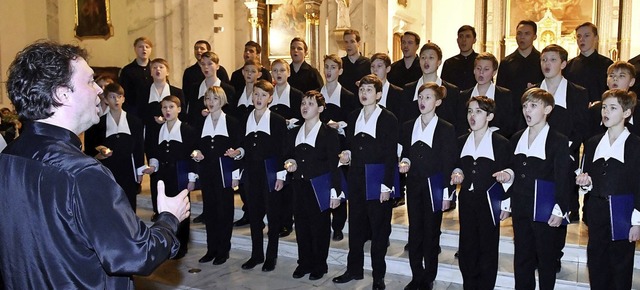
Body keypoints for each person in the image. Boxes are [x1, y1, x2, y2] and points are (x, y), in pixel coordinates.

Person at [0, 41, 189, 289]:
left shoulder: (8, 157)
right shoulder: (83, 173)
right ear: (61, 93)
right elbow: (136, 255)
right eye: (90, 82)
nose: (99, 92)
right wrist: (169, 219)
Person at [494, 88, 570, 290]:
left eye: (533, 106)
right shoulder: (517, 137)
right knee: (522, 257)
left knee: (546, 260)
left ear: (547, 109)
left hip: (545, 209)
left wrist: (560, 208)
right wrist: (508, 179)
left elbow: (563, 177)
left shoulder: (558, 140)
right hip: (521, 205)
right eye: (525, 106)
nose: (527, 110)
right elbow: (514, 168)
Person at [333, 74, 398, 290]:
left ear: (379, 95)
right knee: (357, 226)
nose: (364, 93)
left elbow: (390, 155)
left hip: (378, 178)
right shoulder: (353, 116)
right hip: (356, 177)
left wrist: (387, 185)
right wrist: (347, 153)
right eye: (362, 89)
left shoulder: (388, 118)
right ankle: (354, 269)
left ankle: (378, 275)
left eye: (369, 90)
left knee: (379, 230)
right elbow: (351, 144)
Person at [576, 89, 640, 290]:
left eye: (613, 108)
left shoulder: (635, 145)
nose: (606, 112)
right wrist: (586, 183)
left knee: (620, 267)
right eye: (604, 107)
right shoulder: (593, 143)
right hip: (596, 210)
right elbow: (590, 178)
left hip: (623, 213)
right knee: (596, 264)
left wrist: (637, 222)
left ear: (627, 113)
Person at [399, 82, 456, 290]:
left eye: (428, 97)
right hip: (414, 185)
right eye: (421, 97)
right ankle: (416, 275)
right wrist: (404, 162)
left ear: (438, 102)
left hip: (435, 187)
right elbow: (404, 152)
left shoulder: (446, 128)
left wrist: (448, 194)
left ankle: (429, 276)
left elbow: (449, 162)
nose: (423, 101)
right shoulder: (407, 126)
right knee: (415, 231)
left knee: (431, 232)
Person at [451, 96, 511, 290]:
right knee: (467, 245)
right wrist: (457, 173)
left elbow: (509, 172)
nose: (472, 116)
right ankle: (469, 284)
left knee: (487, 247)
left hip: (489, 203)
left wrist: (506, 205)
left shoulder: (500, 143)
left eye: (478, 111)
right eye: (470, 111)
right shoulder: (461, 141)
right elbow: (455, 166)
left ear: (490, 116)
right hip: (467, 200)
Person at [284, 90, 342, 281]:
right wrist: (289, 163)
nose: (305, 107)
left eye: (310, 104)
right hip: (299, 185)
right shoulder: (293, 132)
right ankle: (304, 262)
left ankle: (319, 264)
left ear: (320, 108)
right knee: (301, 225)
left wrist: (335, 192)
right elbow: (288, 155)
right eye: (303, 103)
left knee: (320, 227)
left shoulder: (329, 133)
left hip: (320, 186)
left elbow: (334, 164)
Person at [232, 79, 287, 272]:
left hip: (270, 172)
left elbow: (282, 151)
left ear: (270, 98)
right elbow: (242, 145)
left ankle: (271, 256)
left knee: (273, 216)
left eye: (263, 95)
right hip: (251, 172)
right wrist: (238, 152)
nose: (258, 98)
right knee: (254, 215)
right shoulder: (245, 118)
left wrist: (281, 176)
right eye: (256, 94)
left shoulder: (277, 121)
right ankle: (257, 254)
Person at [534, 44, 589, 228]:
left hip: (566, 154)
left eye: (552, 60)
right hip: (537, 155)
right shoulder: (532, 92)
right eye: (543, 59)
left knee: (560, 210)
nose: (547, 64)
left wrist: (565, 149)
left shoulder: (578, 92)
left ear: (563, 64)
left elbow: (581, 127)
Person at [191, 86, 242, 265]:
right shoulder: (200, 122)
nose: (210, 102)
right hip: (207, 173)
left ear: (222, 101)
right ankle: (211, 249)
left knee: (224, 212)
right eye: (208, 99)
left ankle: (223, 250)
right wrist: (196, 153)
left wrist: (235, 175)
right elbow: (195, 145)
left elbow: (236, 151)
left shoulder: (232, 122)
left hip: (224, 174)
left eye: (214, 99)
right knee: (210, 212)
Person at [84, 83, 146, 210]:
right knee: (109, 201)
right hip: (108, 168)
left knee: (129, 202)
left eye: (119, 96)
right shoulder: (98, 124)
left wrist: (140, 171)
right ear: (106, 100)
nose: (116, 100)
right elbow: (90, 149)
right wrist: (100, 152)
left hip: (128, 168)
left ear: (123, 98)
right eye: (112, 97)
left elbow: (139, 148)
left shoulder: (134, 122)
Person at [319, 54, 359, 241]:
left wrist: (341, 125)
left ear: (340, 71)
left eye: (333, 67)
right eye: (326, 67)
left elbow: (353, 125)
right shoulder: (316, 95)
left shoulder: (349, 96)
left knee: (339, 184)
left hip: (340, 147)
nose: (329, 71)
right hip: (320, 149)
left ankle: (338, 225)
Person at [269, 58, 304, 237]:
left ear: (288, 72)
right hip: (273, 145)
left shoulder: (297, 95)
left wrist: (290, 122)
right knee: (275, 184)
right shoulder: (268, 93)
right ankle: (276, 220)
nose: (278, 74)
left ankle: (287, 222)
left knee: (288, 185)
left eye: (282, 70)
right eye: (275, 71)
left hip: (290, 144)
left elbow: (304, 116)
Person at [401, 42, 462, 135]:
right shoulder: (409, 89)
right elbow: (403, 121)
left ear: (439, 61)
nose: (426, 61)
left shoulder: (452, 91)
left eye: (431, 58)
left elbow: (456, 125)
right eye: (423, 57)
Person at [459, 52, 516, 138]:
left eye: (486, 69)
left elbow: (509, 125)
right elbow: (459, 123)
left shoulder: (504, 95)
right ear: (474, 70)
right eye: (478, 68)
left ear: (494, 72)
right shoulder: (463, 96)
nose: (481, 73)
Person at [496, 20, 544, 111]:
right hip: (511, 112)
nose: (522, 37)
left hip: (536, 111)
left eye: (527, 34)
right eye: (519, 33)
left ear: (534, 37)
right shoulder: (506, 62)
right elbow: (500, 92)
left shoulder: (542, 61)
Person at [563, 22, 614, 104]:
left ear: (596, 38)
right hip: (575, 111)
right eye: (579, 36)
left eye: (586, 36)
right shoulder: (569, 65)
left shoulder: (607, 64)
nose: (581, 39)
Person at [185, 51, 236, 129]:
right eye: (203, 64)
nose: (206, 67)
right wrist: (201, 114)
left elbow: (231, 115)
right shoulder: (195, 88)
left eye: (209, 64)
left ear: (217, 66)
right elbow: (191, 115)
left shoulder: (228, 90)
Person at [119, 37, 154, 118]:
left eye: (147, 47)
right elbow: (123, 92)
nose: (144, 49)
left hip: (153, 109)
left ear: (151, 49)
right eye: (140, 47)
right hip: (134, 111)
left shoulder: (157, 68)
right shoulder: (127, 70)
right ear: (135, 49)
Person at [441, 25, 479, 91]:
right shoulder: (449, 63)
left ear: (474, 40)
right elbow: (444, 88)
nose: (464, 40)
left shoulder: (481, 61)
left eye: (468, 36)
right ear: (457, 40)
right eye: (461, 36)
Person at [370, 52, 404, 117]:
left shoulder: (398, 93)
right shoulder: (366, 91)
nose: (375, 70)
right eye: (372, 66)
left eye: (379, 66)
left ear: (388, 69)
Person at [338, 29, 371, 95]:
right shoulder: (340, 63)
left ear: (358, 43)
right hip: (345, 103)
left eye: (352, 41)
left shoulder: (368, 63)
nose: (348, 45)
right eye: (346, 42)